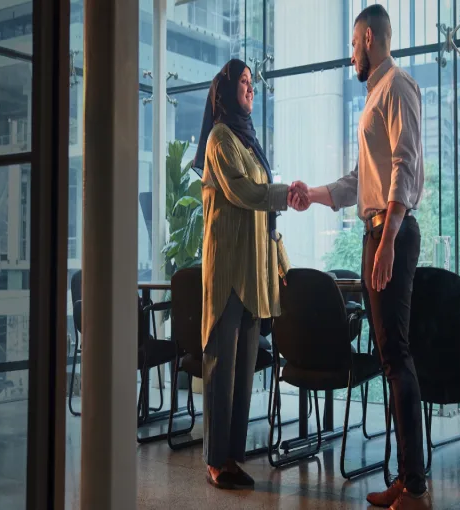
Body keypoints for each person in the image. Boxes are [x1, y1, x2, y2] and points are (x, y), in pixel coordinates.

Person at [289, 5, 431, 510]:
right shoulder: (375, 97)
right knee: (391, 358)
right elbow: (358, 182)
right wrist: (314, 195)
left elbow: (404, 166)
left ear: (368, 38)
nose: (351, 54)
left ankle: (415, 488)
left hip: (391, 231)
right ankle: (405, 478)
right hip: (376, 231)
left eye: (352, 45)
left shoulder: (397, 87)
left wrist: (389, 238)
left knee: (397, 357)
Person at [194, 58, 297, 491]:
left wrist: (283, 264)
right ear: (225, 91)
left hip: (255, 275)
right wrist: (286, 193)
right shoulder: (221, 138)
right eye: (244, 83)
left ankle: (233, 455)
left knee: (243, 372)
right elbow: (244, 192)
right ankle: (216, 462)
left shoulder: (250, 142)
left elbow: (265, 217)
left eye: (252, 83)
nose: (251, 89)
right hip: (229, 274)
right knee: (221, 369)